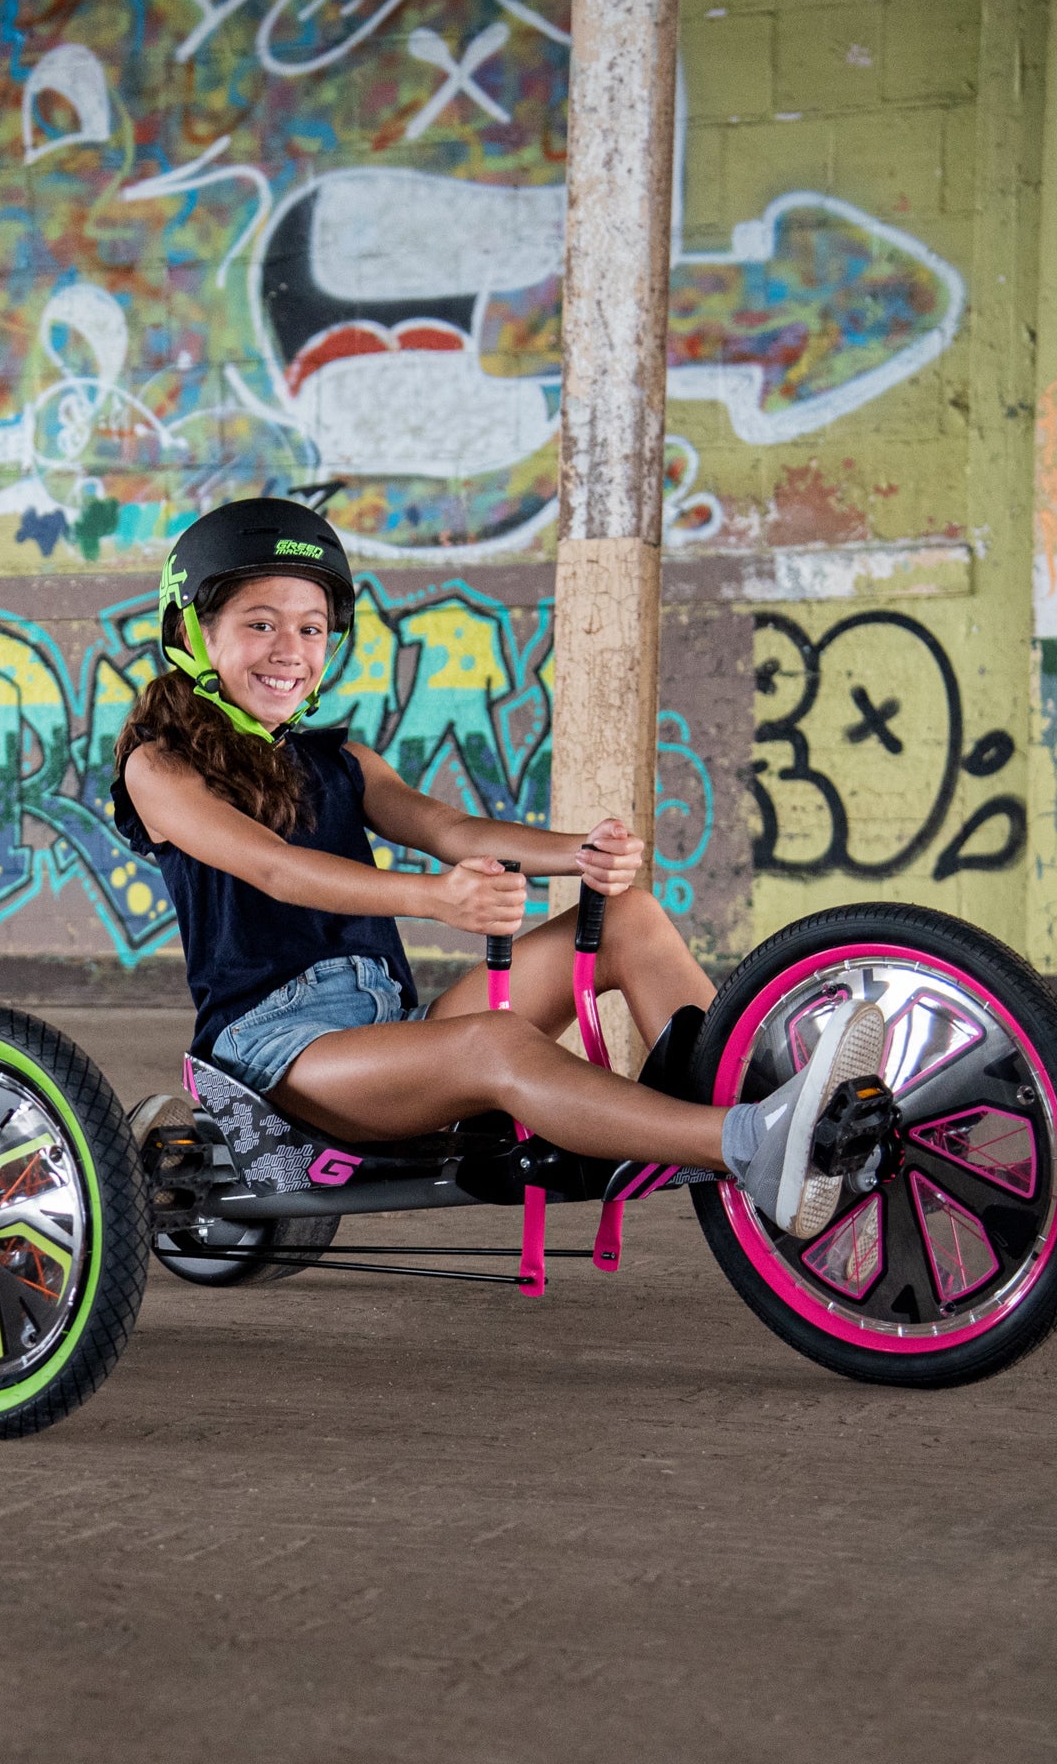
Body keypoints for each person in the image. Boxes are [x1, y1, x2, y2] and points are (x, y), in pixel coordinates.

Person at [110, 499, 886, 1243]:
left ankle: (786, 1116)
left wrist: (577, 851)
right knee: (495, 1044)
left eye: (311, 628)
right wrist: (435, 899)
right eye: (260, 624)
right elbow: (277, 870)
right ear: (192, 631)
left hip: (391, 1032)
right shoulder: (159, 767)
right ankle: (747, 1138)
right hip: (280, 1054)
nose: (291, 650)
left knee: (629, 918)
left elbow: (449, 828)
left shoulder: (341, 761)